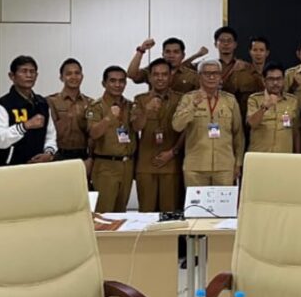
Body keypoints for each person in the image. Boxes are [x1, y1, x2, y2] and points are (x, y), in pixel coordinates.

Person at [173, 59, 244, 186]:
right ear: (199, 76)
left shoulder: (230, 100)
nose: (211, 77)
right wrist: (193, 105)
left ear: (220, 76)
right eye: (207, 74)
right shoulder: (188, 98)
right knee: (197, 206)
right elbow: (177, 126)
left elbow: (238, 134)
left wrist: (238, 163)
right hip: (195, 167)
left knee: (223, 205)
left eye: (216, 73)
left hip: (224, 166)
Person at [132, 58, 184, 212]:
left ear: (170, 77)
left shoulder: (180, 99)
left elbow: (186, 131)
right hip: (146, 163)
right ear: (149, 77)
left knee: (170, 214)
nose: (160, 78)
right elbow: (136, 126)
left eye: (164, 74)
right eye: (156, 74)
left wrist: (173, 152)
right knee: (146, 214)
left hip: (171, 163)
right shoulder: (140, 99)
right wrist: (146, 112)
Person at [0, 56, 57, 166]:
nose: (29, 75)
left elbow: (50, 135)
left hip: (39, 166)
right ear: (12, 76)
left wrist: (49, 153)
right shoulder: (2, 105)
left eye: (32, 72)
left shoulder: (42, 103)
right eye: (24, 71)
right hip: (9, 167)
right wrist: (25, 126)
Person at [86, 66, 136, 212]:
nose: (118, 85)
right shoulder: (96, 106)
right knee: (104, 212)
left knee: (122, 212)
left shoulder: (130, 105)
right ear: (104, 83)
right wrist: (108, 117)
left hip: (127, 165)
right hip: (106, 165)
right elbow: (93, 133)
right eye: (113, 81)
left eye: (121, 81)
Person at [47, 58, 92, 171]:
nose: (73, 77)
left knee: (81, 188)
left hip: (82, 156)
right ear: (61, 77)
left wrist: (91, 158)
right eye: (68, 74)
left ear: (82, 76)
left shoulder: (90, 103)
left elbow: (93, 134)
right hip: (58, 155)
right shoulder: (50, 101)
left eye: (77, 73)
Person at [246, 61, 300, 153]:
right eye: (271, 79)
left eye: (279, 79)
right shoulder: (254, 99)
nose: (275, 83)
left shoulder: (292, 101)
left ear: (283, 80)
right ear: (264, 81)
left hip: (283, 156)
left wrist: (298, 155)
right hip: (260, 156)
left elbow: (296, 132)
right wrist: (265, 107)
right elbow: (252, 124)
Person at [128, 37, 200, 94]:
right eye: (167, 52)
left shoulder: (192, 76)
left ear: (183, 55)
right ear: (163, 54)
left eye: (176, 52)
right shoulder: (153, 70)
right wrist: (141, 50)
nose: (171, 55)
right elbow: (131, 74)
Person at [228, 36, 269, 123]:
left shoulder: (271, 75)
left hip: (268, 121)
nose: (258, 53)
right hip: (244, 120)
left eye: (261, 50)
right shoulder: (240, 73)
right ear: (250, 52)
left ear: (267, 53)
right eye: (255, 50)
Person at [213, 26, 250, 95]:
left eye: (229, 41)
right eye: (222, 41)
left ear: (235, 44)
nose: (226, 44)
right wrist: (198, 55)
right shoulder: (210, 66)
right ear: (215, 44)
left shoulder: (245, 66)